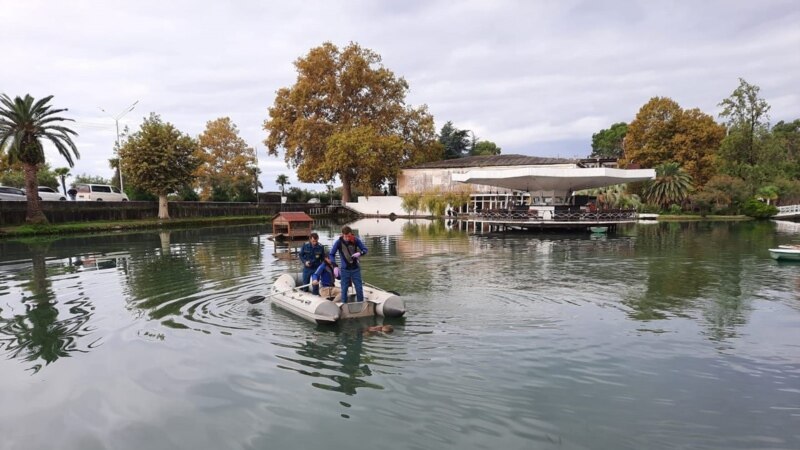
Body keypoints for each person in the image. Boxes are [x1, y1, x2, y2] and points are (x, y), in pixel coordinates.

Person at [329, 225, 368, 303]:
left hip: (355, 269)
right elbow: (331, 254)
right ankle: (344, 304)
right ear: (342, 234)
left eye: (349, 236)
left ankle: (360, 303)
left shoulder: (356, 240)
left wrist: (360, 253)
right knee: (344, 289)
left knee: (359, 288)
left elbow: (365, 249)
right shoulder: (338, 242)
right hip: (345, 270)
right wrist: (335, 266)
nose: (347, 238)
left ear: (351, 234)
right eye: (345, 236)